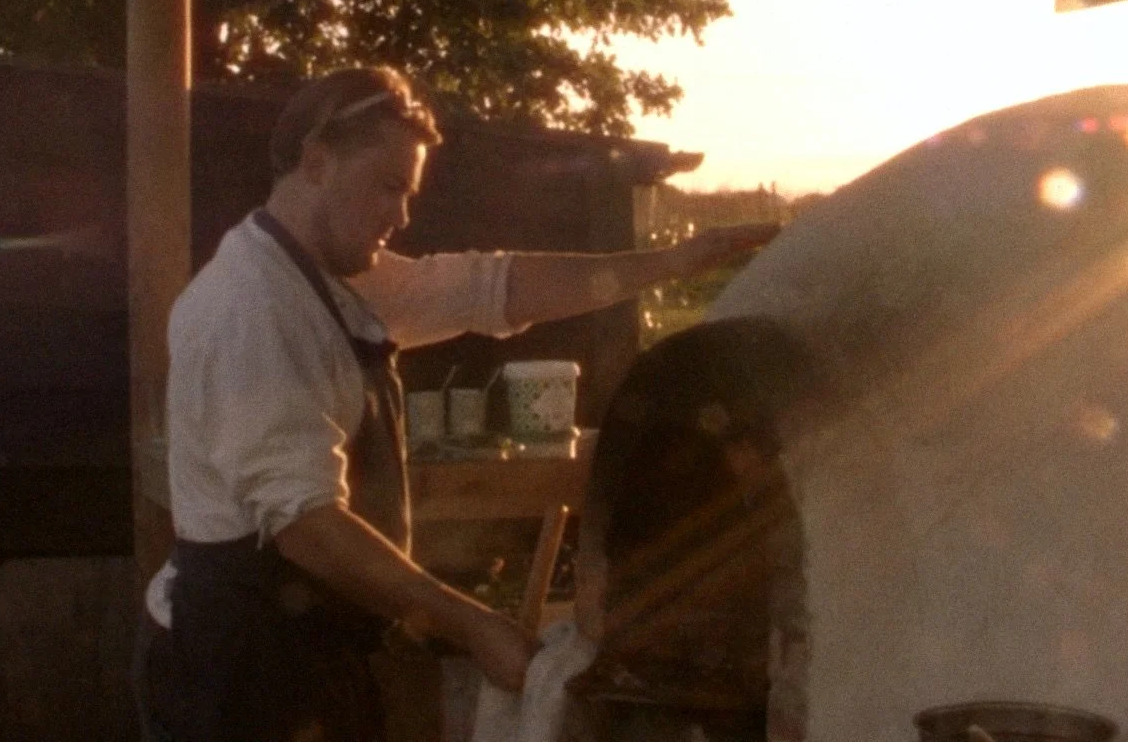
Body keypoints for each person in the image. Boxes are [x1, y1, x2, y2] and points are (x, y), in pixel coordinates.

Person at [138, 67, 780, 742]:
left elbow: (494, 288)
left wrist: (673, 263)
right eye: (390, 187)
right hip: (238, 673)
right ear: (315, 161)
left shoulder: (333, 283)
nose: (402, 215)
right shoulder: (255, 307)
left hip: (304, 649)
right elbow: (307, 525)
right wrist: (472, 624)